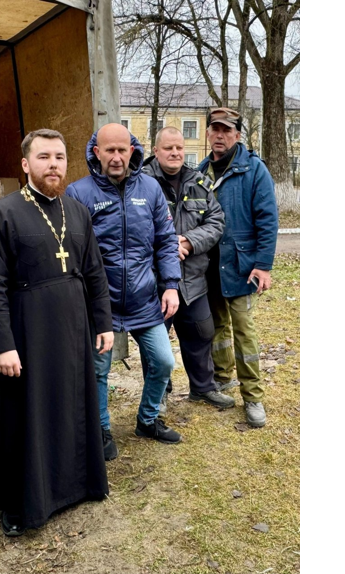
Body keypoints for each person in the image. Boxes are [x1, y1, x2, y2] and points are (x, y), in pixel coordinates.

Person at [0, 129, 114, 536]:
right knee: (26, 413)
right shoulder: (0, 214)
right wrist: (4, 346)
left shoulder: (77, 211)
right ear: (25, 164)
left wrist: (103, 322)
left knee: (73, 402)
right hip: (27, 330)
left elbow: (94, 272)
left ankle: (76, 485)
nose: (52, 164)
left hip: (73, 325)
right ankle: (22, 500)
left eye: (59, 156)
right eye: (43, 157)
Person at [66, 123, 182, 461]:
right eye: (109, 151)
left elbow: (164, 240)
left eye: (122, 150)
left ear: (132, 151)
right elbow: (74, 252)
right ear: (96, 153)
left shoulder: (150, 189)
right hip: (101, 304)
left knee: (163, 361)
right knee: (100, 371)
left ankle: (147, 420)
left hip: (145, 299)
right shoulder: (79, 193)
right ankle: (101, 429)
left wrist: (171, 286)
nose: (116, 157)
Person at [141, 127, 235, 411]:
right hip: (156, 281)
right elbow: (133, 227)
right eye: (168, 148)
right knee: (156, 342)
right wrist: (169, 245)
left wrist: (189, 242)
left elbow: (216, 222)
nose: (175, 153)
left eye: (179, 148)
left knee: (202, 332)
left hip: (193, 279)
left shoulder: (199, 182)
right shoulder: (141, 184)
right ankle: (160, 393)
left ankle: (203, 388)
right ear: (156, 151)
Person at [197, 107, 278, 428]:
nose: (219, 134)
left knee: (244, 332)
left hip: (242, 267)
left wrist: (263, 265)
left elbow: (268, 220)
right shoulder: (202, 171)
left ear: (237, 135)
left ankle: (253, 396)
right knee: (217, 329)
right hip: (210, 268)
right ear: (207, 134)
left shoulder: (254, 170)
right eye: (214, 129)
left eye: (226, 130)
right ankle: (221, 377)